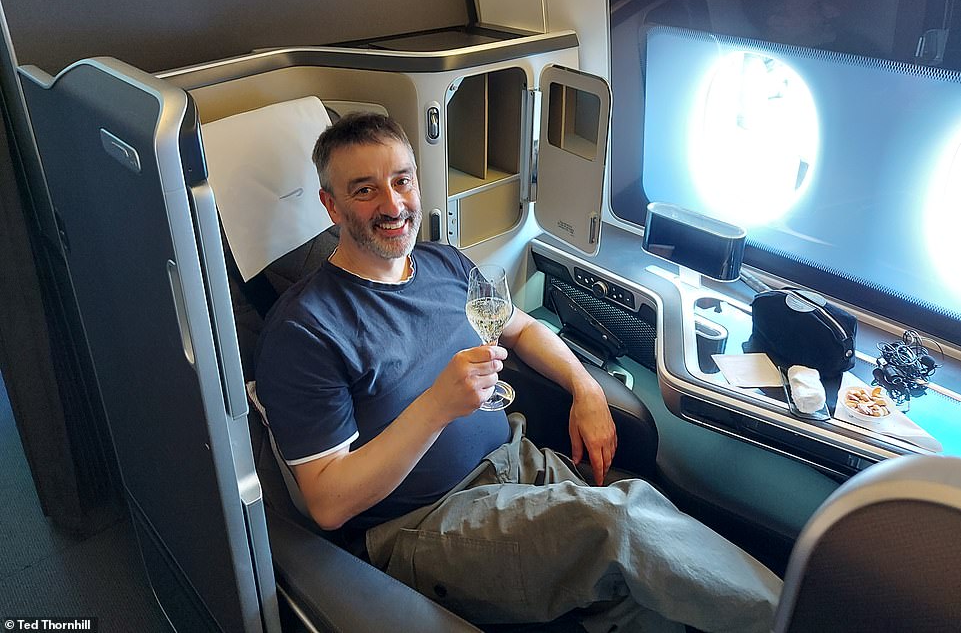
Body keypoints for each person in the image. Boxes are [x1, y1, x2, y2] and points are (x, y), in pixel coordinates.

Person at [254, 112, 781, 632]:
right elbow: (328, 502)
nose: (393, 205)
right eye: (365, 190)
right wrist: (437, 407)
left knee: (646, 561)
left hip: (516, 460)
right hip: (423, 523)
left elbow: (523, 329)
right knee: (622, 523)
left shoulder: (444, 264)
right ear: (331, 205)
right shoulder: (305, 329)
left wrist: (585, 388)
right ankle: (799, 617)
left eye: (402, 181)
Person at [741, 0, 883, 57]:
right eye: (815, 7)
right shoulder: (751, 68)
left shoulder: (856, 49)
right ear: (778, 23)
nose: (834, 12)